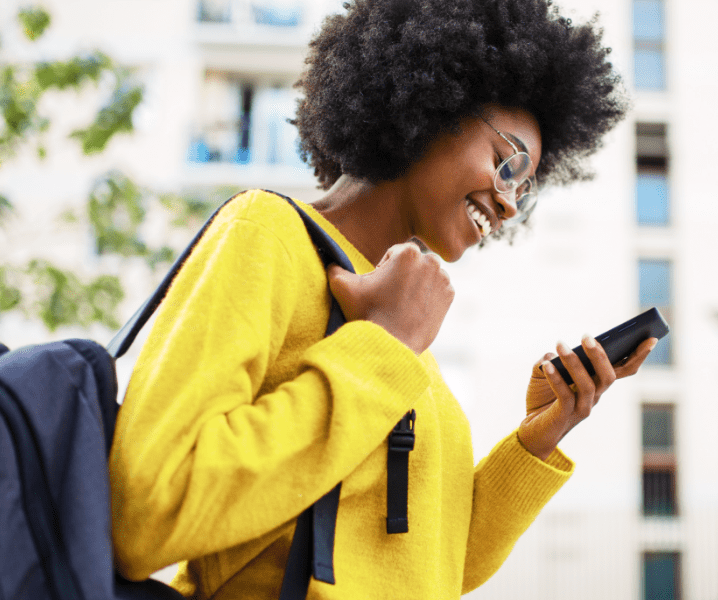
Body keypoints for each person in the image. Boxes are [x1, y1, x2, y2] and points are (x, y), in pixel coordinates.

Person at [108, 0, 652, 598]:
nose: (508, 204)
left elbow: (432, 565)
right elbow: (149, 508)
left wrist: (537, 437)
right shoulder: (268, 235)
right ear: (432, 106)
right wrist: (381, 348)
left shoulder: (405, 331)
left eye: (524, 189)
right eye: (506, 164)